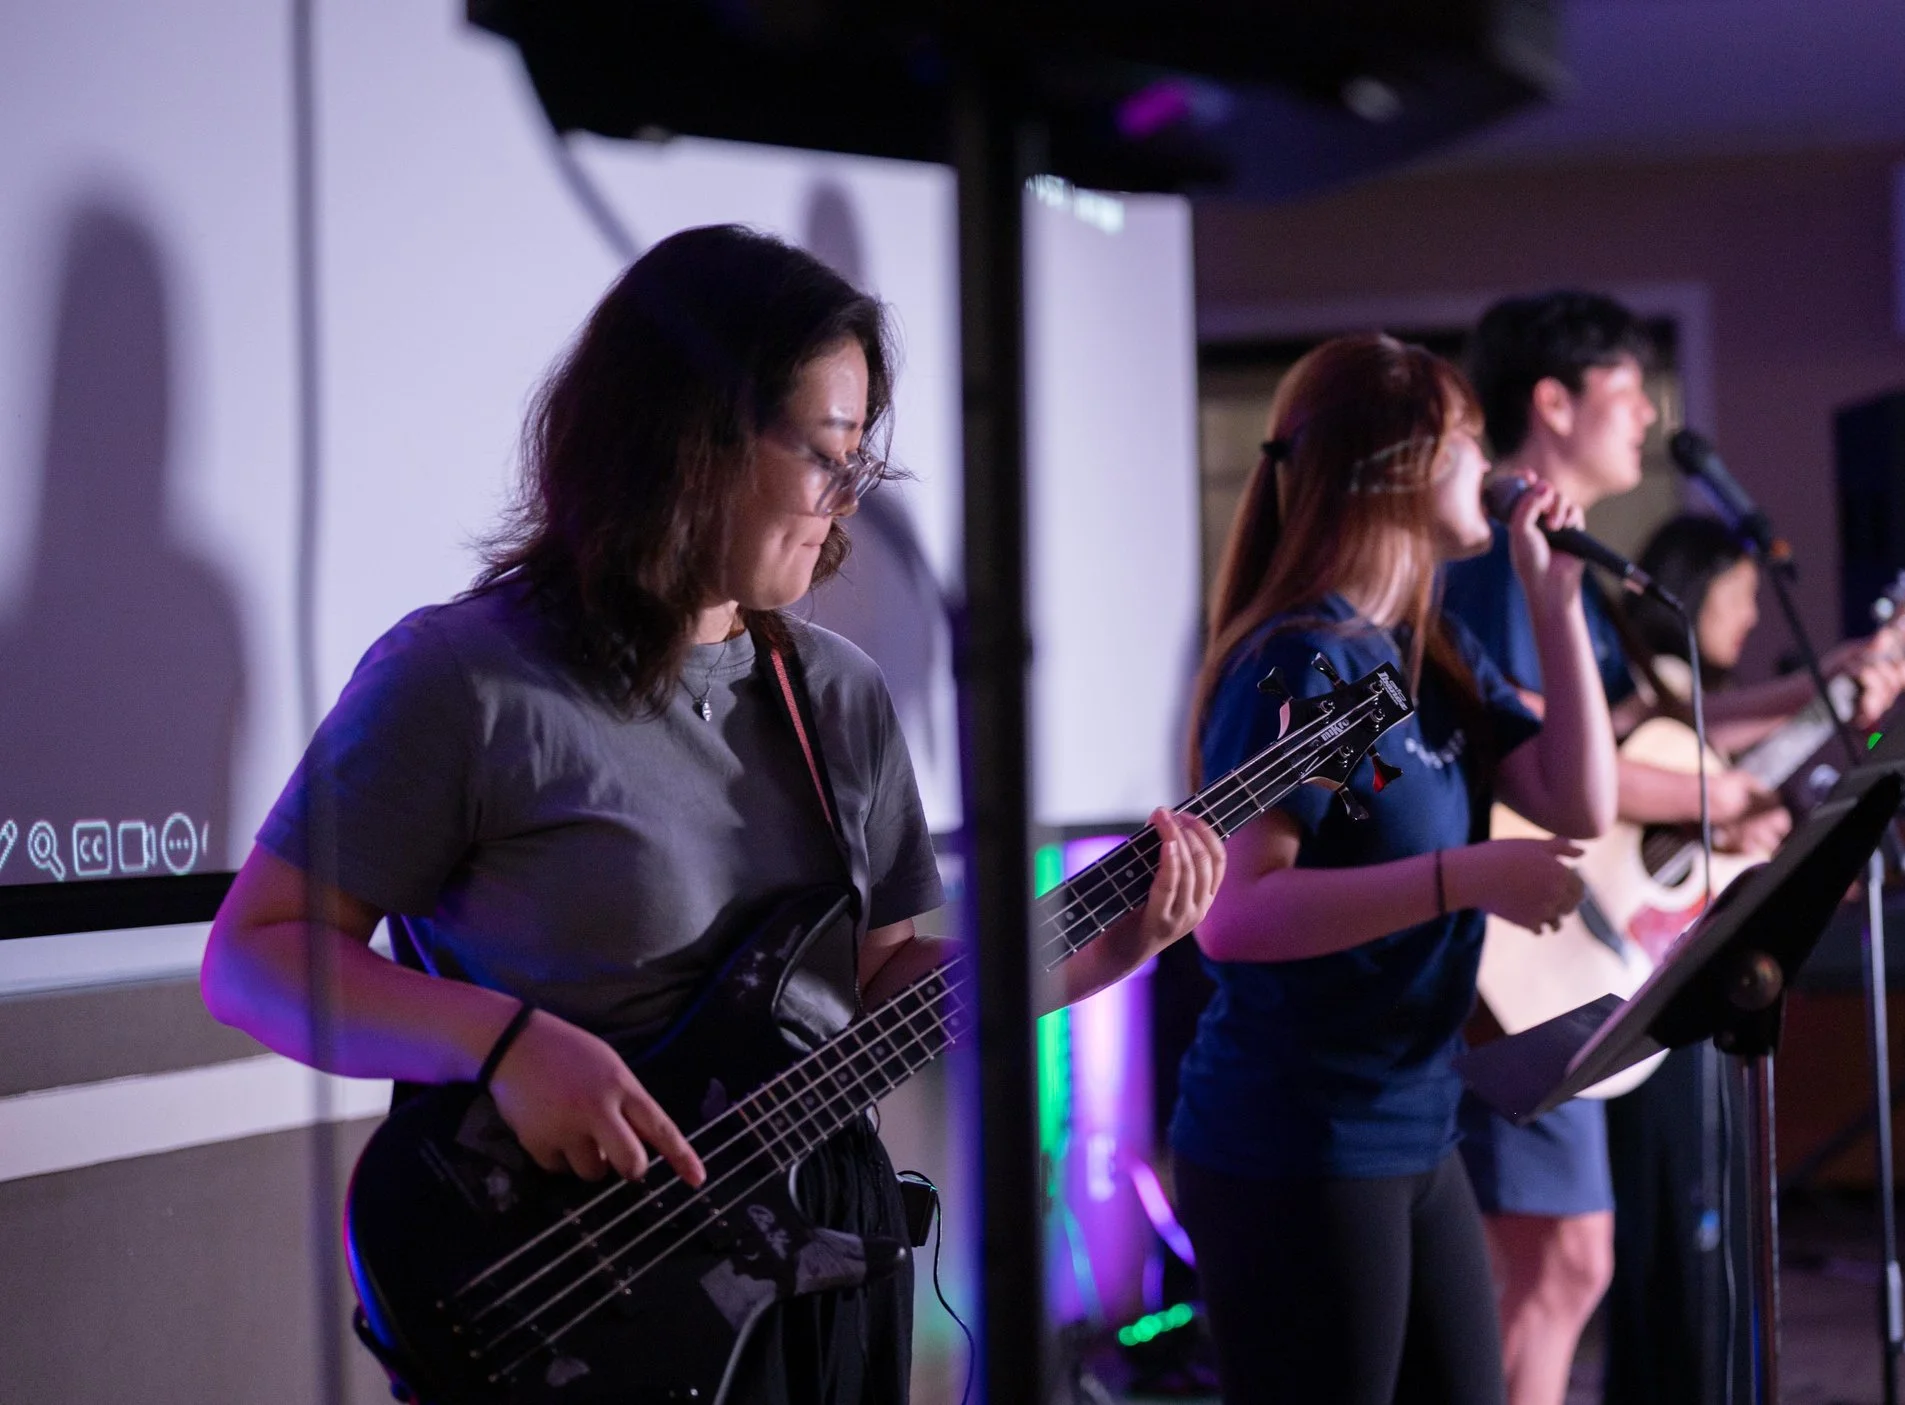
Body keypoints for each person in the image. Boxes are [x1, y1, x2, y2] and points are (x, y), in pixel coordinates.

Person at [198, 224, 1225, 1405]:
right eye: (825, 452)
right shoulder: (464, 678)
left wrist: (1102, 952)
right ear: (692, 438)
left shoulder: (836, 695)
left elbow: (869, 984)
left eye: (860, 458)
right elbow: (254, 957)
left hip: (815, 1274)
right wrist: (500, 1042)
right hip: (574, 1295)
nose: (847, 497)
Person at [1439, 291, 1905, 1405]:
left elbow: (1632, 735)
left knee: (1565, 1265)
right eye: (1627, 388)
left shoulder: (1563, 568)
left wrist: (1820, 685)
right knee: (1558, 1264)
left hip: (1565, 936)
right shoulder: (1503, 559)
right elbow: (1532, 743)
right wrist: (1719, 793)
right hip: (1513, 946)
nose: (1650, 415)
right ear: (1552, 403)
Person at [1173, 332, 1617, 1405]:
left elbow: (1580, 800)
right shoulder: (1305, 659)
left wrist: (1555, 605)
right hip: (1301, 1137)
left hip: (1415, 1120)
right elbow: (1236, 913)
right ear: (1402, 467)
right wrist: (1462, 877)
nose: (1494, 468)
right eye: (1470, 443)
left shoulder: (1425, 649)